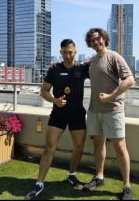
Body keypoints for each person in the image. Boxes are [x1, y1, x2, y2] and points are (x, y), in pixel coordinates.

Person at [25, 39, 90, 200]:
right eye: (65, 52)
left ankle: (71, 175)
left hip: (77, 114)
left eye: (71, 52)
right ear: (60, 52)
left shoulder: (82, 69)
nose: (68, 55)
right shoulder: (54, 69)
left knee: (79, 146)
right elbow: (44, 91)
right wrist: (55, 101)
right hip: (58, 114)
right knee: (49, 147)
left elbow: (99, 68)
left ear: (75, 52)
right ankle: (39, 184)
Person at [82, 28, 134, 200]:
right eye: (92, 41)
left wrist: (111, 96)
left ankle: (126, 186)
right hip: (94, 110)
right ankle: (99, 177)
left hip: (113, 110)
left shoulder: (114, 57)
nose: (95, 43)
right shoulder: (91, 61)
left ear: (104, 38)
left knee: (120, 147)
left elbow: (129, 79)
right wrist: (56, 65)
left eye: (97, 39)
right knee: (98, 144)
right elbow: (73, 67)